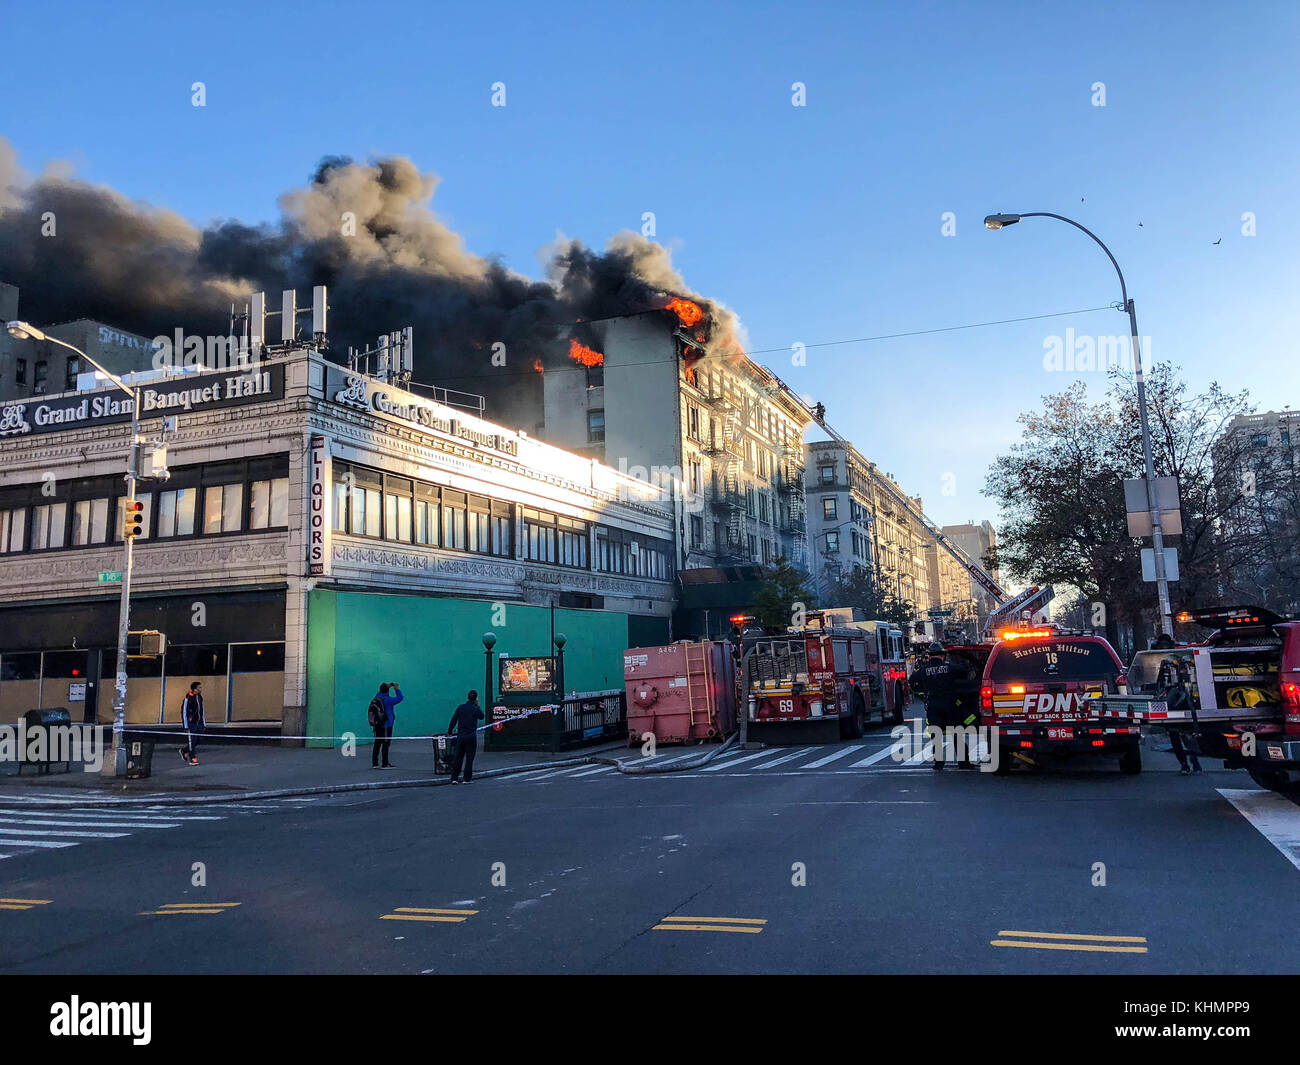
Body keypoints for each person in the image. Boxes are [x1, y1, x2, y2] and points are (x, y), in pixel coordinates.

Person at [1156, 658, 1201, 775]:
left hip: (1184, 712)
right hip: (1176, 713)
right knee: (1179, 737)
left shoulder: (1188, 684)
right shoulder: (1171, 687)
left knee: (1188, 737)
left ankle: (1192, 762)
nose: (1182, 672)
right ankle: (1186, 763)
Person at [446, 690, 485, 784]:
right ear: (476, 698)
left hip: (461, 736)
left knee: (458, 757)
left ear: (467, 697)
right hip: (471, 736)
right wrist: (478, 706)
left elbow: (454, 720)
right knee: (469, 758)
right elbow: (482, 716)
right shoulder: (475, 708)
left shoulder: (460, 707)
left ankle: (454, 778)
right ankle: (466, 778)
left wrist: (450, 731)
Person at [371, 682, 403, 769]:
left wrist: (387, 686)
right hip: (387, 725)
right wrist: (396, 689)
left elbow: (381, 691)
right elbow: (400, 698)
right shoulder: (388, 700)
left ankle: (375, 763)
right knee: (386, 744)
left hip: (378, 724)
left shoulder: (377, 697)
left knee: (377, 743)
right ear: (388, 690)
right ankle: (385, 763)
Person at [179, 681, 205, 765]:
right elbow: (184, 713)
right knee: (192, 740)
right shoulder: (188, 699)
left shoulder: (200, 697)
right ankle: (192, 758)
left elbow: (201, 711)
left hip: (199, 723)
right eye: (199, 688)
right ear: (195, 689)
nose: (201, 689)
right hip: (191, 724)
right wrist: (186, 726)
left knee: (199, 740)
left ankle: (184, 750)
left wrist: (203, 722)